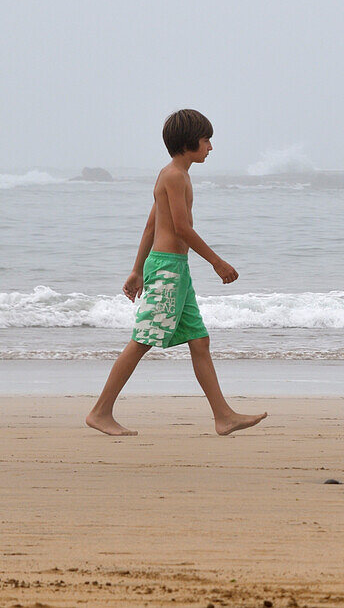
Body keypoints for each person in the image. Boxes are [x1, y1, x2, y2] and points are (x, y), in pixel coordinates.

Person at [86, 109, 268, 437]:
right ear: (188, 143)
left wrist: (136, 269)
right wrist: (217, 262)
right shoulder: (173, 176)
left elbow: (151, 224)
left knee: (199, 341)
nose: (211, 147)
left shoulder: (175, 174)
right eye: (206, 140)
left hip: (173, 268)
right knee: (142, 341)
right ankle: (100, 412)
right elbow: (181, 228)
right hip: (168, 269)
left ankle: (223, 417)